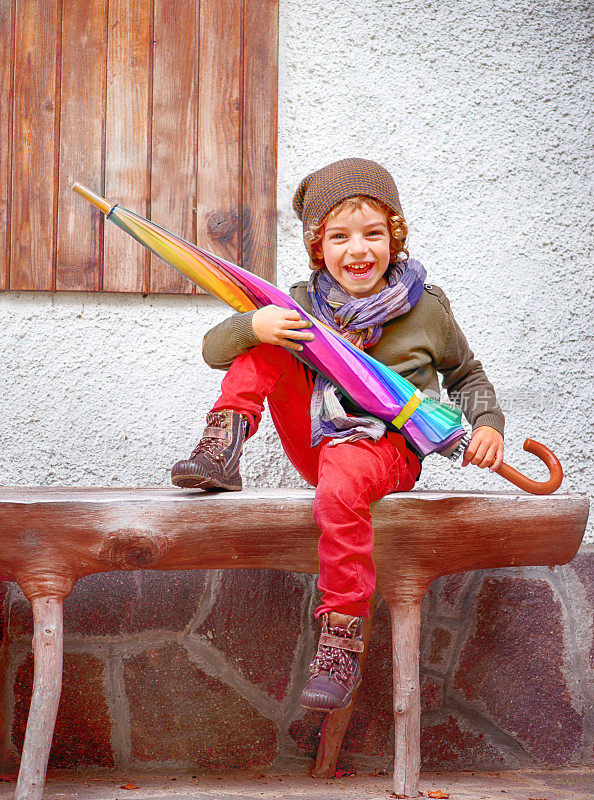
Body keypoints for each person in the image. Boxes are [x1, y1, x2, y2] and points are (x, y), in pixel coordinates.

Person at [170, 158, 505, 712]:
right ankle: (222, 443)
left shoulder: (426, 310)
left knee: (345, 472)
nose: (359, 250)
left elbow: (466, 374)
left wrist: (488, 425)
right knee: (272, 338)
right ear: (317, 247)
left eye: (374, 233)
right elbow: (213, 350)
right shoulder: (302, 302)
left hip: (386, 449)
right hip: (316, 438)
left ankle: (341, 636)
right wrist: (254, 325)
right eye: (340, 236)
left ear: (394, 238)